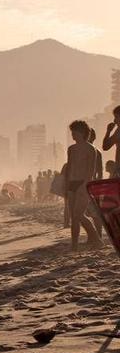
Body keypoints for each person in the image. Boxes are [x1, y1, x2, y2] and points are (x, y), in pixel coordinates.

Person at [66, 120, 101, 251]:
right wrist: (66, 186)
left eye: (74, 132)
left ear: (81, 132)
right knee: (74, 216)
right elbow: (69, 168)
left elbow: (91, 170)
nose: (72, 135)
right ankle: (79, 244)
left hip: (84, 183)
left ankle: (91, 241)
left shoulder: (91, 149)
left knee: (78, 215)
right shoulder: (71, 149)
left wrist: (85, 185)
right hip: (72, 184)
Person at [102, 105, 120, 178]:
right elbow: (105, 147)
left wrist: (108, 131)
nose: (114, 121)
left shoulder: (118, 131)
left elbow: (105, 146)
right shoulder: (118, 131)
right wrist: (108, 131)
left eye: (116, 117)